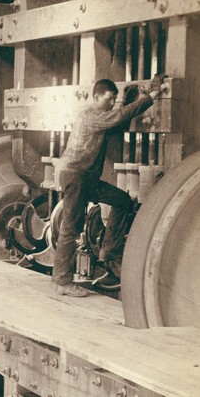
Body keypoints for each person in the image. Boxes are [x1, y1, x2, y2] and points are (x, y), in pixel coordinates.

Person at [54, 75, 166, 297]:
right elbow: (119, 117)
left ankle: (109, 251)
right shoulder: (90, 116)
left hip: (87, 179)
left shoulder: (101, 117)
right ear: (96, 97)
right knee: (71, 228)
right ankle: (62, 281)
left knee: (122, 201)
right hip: (76, 177)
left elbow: (119, 120)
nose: (111, 104)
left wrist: (127, 102)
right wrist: (150, 96)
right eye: (108, 99)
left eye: (114, 99)